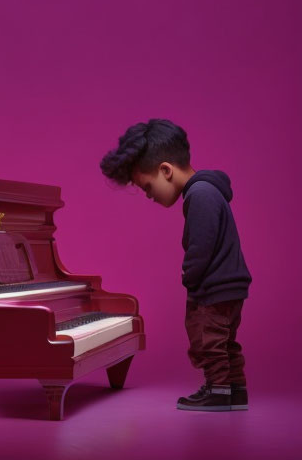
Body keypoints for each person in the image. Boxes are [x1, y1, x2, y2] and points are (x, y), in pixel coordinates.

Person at [99, 118, 251, 411]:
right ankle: (235, 390)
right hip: (231, 284)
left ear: (166, 170)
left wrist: (189, 277)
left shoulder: (199, 194)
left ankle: (218, 391)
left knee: (209, 340)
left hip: (215, 287)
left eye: (147, 186)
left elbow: (201, 247)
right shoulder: (207, 190)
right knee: (224, 339)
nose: (149, 195)